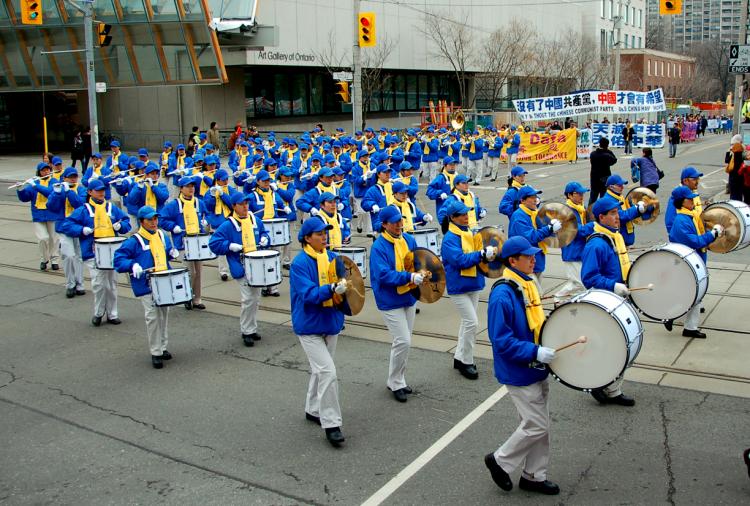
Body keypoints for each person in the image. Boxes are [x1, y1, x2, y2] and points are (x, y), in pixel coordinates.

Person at [484, 236, 560, 496]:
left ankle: (534, 476)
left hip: (536, 366)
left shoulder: (528, 283)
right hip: (518, 370)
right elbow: (501, 341)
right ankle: (500, 461)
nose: (533, 259)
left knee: (538, 424)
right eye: (527, 256)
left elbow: (534, 321)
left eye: (533, 255)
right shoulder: (503, 295)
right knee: (536, 424)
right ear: (512, 260)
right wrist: (536, 350)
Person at [289, 217, 347, 447]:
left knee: (320, 370)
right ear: (306, 238)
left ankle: (313, 409)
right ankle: (331, 423)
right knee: (328, 372)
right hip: (309, 325)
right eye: (319, 233)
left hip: (330, 322)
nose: (324, 236)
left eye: (325, 232)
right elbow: (309, 294)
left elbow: (346, 285)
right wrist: (332, 288)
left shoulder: (333, 258)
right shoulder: (299, 263)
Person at [580, 197, 636, 407]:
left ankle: (608, 386)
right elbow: (589, 278)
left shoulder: (614, 236)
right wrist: (614, 286)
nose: (617, 218)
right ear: (601, 217)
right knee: (615, 346)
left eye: (617, 213)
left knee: (618, 345)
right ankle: (607, 387)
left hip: (619, 298)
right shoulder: (597, 244)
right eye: (612, 214)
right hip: (607, 301)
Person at [114, 205, 179, 369]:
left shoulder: (162, 235)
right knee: (153, 318)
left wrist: (171, 251)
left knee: (164, 315)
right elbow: (118, 260)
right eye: (150, 219)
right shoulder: (134, 240)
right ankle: (156, 351)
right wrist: (132, 264)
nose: (154, 222)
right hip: (147, 284)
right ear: (141, 221)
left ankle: (163, 346)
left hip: (163, 280)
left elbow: (166, 250)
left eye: (155, 219)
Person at [369, 205, 422, 403]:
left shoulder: (408, 239)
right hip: (389, 299)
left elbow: (417, 260)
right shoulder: (379, 247)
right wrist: (410, 276)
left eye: (401, 220)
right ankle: (395, 382)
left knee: (404, 341)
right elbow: (383, 275)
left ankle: (398, 378)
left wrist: (425, 270)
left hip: (408, 295)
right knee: (403, 340)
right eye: (395, 222)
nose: (400, 224)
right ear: (384, 225)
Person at [440, 199, 497, 380]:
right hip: (459, 286)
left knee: (467, 323)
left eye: (467, 213)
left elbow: (478, 255)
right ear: (453, 218)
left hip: (473, 282)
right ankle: (467, 361)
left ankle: (459, 356)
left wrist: (487, 254)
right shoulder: (450, 238)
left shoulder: (470, 233)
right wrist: (481, 254)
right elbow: (460, 260)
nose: (466, 217)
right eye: (462, 215)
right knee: (472, 323)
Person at [62, 179, 131, 325]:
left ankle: (113, 314)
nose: (102, 193)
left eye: (103, 190)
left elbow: (126, 222)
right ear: (90, 192)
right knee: (99, 284)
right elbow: (67, 225)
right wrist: (81, 230)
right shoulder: (84, 210)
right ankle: (99, 312)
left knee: (112, 284)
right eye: (98, 190)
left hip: (112, 251)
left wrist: (121, 226)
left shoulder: (111, 208)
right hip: (93, 251)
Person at [209, 192, 270, 347]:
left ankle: (251, 328)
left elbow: (264, 233)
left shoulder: (255, 220)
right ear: (234, 206)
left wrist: (265, 239)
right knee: (248, 298)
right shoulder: (228, 225)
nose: (245, 206)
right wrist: (229, 246)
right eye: (241, 204)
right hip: (240, 266)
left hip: (257, 265)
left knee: (255, 298)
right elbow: (214, 243)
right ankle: (247, 331)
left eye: (246, 203)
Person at [668, 186, 723, 339]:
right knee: (694, 295)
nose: (692, 200)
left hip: (694, 261)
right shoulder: (681, 221)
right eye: (689, 199)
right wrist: (713, 234)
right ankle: (686, 326)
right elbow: (695, 241)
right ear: (681, 202)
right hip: (687, 264)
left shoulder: (689, 216)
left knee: (690, 295)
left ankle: (672, 317)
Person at [160, 176, 209, 310]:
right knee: (190, 271)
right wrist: (173, 226)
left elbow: (207, 214)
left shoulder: (199, 202)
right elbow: (162, 219)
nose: (191, 189)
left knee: (198, 271)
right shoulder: (174, 205)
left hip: (198, 241)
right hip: (183, 241)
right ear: (181, 189)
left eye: (192, 186)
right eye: (187, 186)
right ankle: (187, 296)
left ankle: (197, 299)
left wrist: (205, 221)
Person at [508, 186, 560, 286]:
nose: (535, 199)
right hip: (524, 263)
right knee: (532, 295)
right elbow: (530, 237)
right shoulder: (518, 216)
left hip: (536, 260)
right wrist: (549, 228)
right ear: (523, 200)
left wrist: (552, 226)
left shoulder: (534, 212)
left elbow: (544, 229)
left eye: (535, 196)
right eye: (531, 197)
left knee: (536, 293)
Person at [47, 167, 87, 297]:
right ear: (64, 178)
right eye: (70, 177)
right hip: (64, 227)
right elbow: (51, 207)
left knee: (79, 257)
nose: (73, 179)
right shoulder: (57, 189)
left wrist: (68, 191)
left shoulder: (80, 189)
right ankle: (70, 284)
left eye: (75, 177)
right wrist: (57, 193)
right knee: (68, 256)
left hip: (78, 227)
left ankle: (80, 284)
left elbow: (79, 204)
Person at [17, 161, 61, 271]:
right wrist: (20, 189)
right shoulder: (35, 182)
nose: (46, 172)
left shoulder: (54, 181)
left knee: (54, 239)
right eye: (43, 170)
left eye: (47, 170)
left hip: (52, 213)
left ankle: (54, 260)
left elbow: (49, 192)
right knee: (43, 238)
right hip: (38, 215)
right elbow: (25, 198)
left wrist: (35, 185)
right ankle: (44, 259)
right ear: (39, 172)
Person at [554, 182, 594, 301]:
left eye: (583, 193)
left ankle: (561, 300)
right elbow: (577, 230)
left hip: (580, 250)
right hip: (572, 252)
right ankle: (559, 298)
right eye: (578, 194)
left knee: (576, 282)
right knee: (579, 283)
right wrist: (594, 225)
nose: (582, 196)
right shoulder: (566, 212)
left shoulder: (580, 209)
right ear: (570, 195)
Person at [588, 137, 617, 207]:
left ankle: (589, 213)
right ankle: (602, 212)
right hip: (605, 178)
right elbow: (614, 160)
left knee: (593, 198)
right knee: (603, 197)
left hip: (594, 179)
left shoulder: (593, 154)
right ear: (607, 146)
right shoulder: (607, 155)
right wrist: (608, 151)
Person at [726, 134, 745, 201]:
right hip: (739, 177)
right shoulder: (742, 150)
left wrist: (728, 152)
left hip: (734, 177)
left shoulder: (735, 152)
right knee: (738, 194)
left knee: (734, 195)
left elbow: (727, 160)